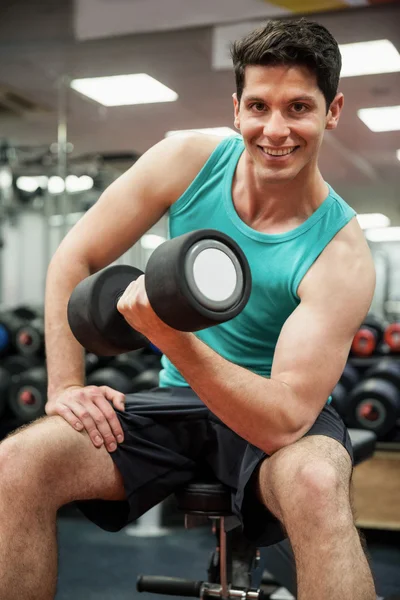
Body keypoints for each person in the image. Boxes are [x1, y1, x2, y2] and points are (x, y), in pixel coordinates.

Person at [0, 17, 376, 600]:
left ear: (332, 111)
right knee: (17, 464)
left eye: (298, 107)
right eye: (259, 106)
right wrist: (64, 386)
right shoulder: (185, 162)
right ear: (236, 109)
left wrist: (172, 339)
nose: (275, 130)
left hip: (277, 415)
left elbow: (282, 419)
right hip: (178, 404)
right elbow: (75, 257)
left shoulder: (341, 253)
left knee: (318, 481)